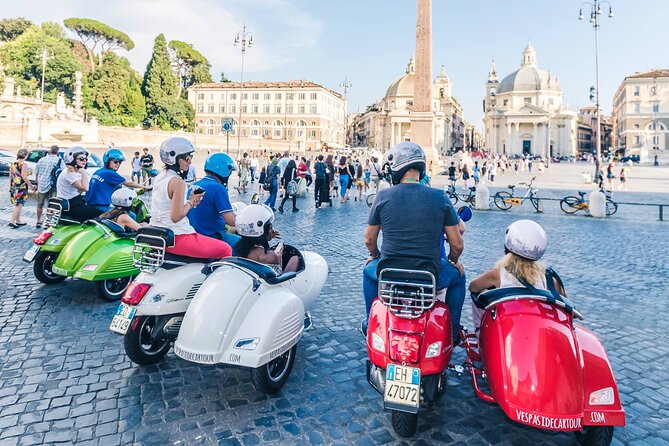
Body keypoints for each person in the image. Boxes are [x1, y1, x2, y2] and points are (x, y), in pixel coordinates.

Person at [362, 142, 465, 342]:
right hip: (430, 276)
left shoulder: (383, 195)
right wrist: (453, 261)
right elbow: (457, 244)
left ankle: (369, 323)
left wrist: (374, 256)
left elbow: (368, 239)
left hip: (390, 273)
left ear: (396, 168)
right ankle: (452, 333)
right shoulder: (439, 196)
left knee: (368, 273)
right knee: (459, 278)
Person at [468, 220, 565, 330]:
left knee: (478, 297)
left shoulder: (497, 273)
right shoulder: (549, 279)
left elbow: (473, 287)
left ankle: (480, 329)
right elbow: (563, 305)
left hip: (509, 328)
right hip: (539, 329)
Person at [151, 137, 232, 259]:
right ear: (176, 158)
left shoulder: (160, 177)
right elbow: (175, 217)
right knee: (225, 249)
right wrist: (191, 202)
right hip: (177, 236)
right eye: (187, 157)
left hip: (158, 233)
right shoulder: (178, 182)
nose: (189, 161)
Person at [187, 153, 241, 251]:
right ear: (224, 170)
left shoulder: (194, 185)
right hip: (212, 236)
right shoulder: (217, 188)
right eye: (230, 172)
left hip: (194, 235)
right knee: (247, 246)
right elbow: (231, 221)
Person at [235, 204, 300, 274]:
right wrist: (279, 257)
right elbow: (278, 273)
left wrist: (266, 237)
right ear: (262, 230)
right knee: (295, 258)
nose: (271, 230)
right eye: (270, 228)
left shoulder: (239, 249)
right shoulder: (270, 256)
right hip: (271, 283)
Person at [86, 148, 146, 214]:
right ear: (107, 161)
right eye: (115, 162)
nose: (118, 164)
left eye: (120, 162)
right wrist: (145, 187)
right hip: (101, 207)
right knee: (132, 215)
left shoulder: (99, 171)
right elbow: (129, 183)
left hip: (91, 205)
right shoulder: (109, 173)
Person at [56, 147, 104, 222]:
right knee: (102, 215)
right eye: (81, 159)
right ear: (72, 159)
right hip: (72, 206)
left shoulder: (73, 172)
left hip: (73, 203)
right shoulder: (69, 173)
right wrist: (83, 172)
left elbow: (79, 190)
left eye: (86, 159)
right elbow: (85, 188)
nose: (84, 161)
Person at [34, 145, 63, 228]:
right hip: (54, 185)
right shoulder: (59, 161)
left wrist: (36, 183)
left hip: (42, 184)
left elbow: (36, 173)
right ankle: (48, 222)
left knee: (40, 204)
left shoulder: (42, 160)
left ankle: (38, 221)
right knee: (52, 205)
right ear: (57, 152)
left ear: (49, 151)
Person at [8, 148, 30, 228]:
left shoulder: (12, 164)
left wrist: (11, 186)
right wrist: (31, 185)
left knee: (18, 203)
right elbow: (24, 176)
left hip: (14, 186)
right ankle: (12, 221)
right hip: (21, 187)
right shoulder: (24, 164)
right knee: (19, 204)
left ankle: (18, 220)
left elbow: (10, 176)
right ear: (25, 156)